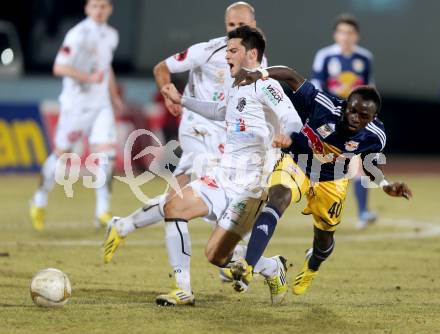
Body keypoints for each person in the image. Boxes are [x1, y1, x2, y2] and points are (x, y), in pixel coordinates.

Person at [102, 2, 266, 303]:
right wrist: (168, 93)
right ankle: (232, 262)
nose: (236, 30)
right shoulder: (210, 50)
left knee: (180, 200)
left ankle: (123, 225)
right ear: (225, 26)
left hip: (227, 139)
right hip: (198, 131)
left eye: (242, 24)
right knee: (212, 200)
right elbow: (162, 68)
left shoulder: (259, 61)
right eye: (231, 25)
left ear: (254, 24)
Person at [228, 65, 412, 296]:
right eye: (352, 110)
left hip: (332, 180)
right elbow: (290, 75)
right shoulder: (324, 105)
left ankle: (312, 265)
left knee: (324, 242)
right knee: (277, 200)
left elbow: (368, 163)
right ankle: (248, 265)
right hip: (298, 162)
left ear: (373, 118)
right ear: (345, 105)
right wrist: (260, 74)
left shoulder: (376, 136)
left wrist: (385, 184)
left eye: (363, 116)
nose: (354, 118)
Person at [157, 26, 302, 306]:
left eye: (233, 51)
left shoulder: (266, 84)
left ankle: (272, 268)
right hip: (223, 176)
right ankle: (183, 290)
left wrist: (287, 135)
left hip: (250, 188)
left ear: (252, 54)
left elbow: (291, 117)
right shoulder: (236, 83)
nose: (226, 57)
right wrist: (182, 100)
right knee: (173, 206)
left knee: (217, 256)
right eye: (226, 51)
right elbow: (221, 111)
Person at [30, 0, 122, 230]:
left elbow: (106, 65)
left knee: (107, 155)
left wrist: (113, 94)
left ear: (110, 9)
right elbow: (59, 67)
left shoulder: (111, 35)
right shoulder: (78, 34)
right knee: (62, 154)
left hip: (101, 105)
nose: (99, 11)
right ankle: (39, 199)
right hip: (77, 105)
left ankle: (102, 211)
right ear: (86, 9)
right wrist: (87, 78)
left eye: (104, 6)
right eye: (95, 6)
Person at [311, 14, 376, 229]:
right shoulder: (325, 56)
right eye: (342, 32)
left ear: (356, 35)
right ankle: (322, 211)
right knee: (328, 163)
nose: (345, 37)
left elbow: (369, 89)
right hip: (332, 118)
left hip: (355, 119)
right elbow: (316, 86)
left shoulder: (364, 57)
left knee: (359, 162)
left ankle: (363, 212)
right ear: (335, 35)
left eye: (349, 33)